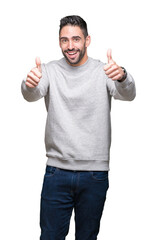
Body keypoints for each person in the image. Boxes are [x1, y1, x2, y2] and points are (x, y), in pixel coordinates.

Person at [21, 15, 136, 240]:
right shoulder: (49, 70)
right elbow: (31, 94)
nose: (70, 46)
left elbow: (128, 94)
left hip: (95, 174)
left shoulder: (104, 71)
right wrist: (29, 83)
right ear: (59, 42)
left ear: (87, 40)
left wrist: (122, 76)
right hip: (56, 172)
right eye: (65, 40)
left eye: (76, 39)